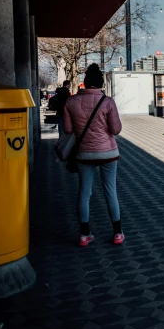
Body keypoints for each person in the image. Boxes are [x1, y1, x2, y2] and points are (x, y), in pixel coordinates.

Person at [63, 64, 124, 247]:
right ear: (100, 83)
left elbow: (67, 129)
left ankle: (84, 234)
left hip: (84, 154)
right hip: (107, 153)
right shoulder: (108, 102)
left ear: (85, 83)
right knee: (110, 191)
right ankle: (117, 233)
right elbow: (116, 129)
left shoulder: (71, 102)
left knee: (84, 192)